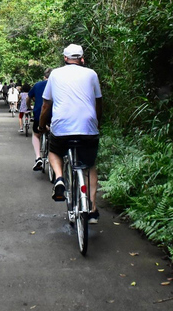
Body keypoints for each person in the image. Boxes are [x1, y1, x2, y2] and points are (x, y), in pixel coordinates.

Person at [40, 44, 102, 224]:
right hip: (87, 128)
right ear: (82, 59)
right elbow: (99, 102)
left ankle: (59, 178)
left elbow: (46, 105)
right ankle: (91, 209)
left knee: (54, 151)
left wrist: (42, 124)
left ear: (65, 58)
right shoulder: (91, 74)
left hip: (61, 128)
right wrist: (97, 122)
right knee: (89, 165)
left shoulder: (55, 74)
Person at [27, 68, 51, 171]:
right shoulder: (58, 85)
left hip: (39, 114)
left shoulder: (37, 85)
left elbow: (28, 98)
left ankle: (38, 157)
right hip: (55, 115)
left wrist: (29, 107)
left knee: (36, 134)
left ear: (44, 76)